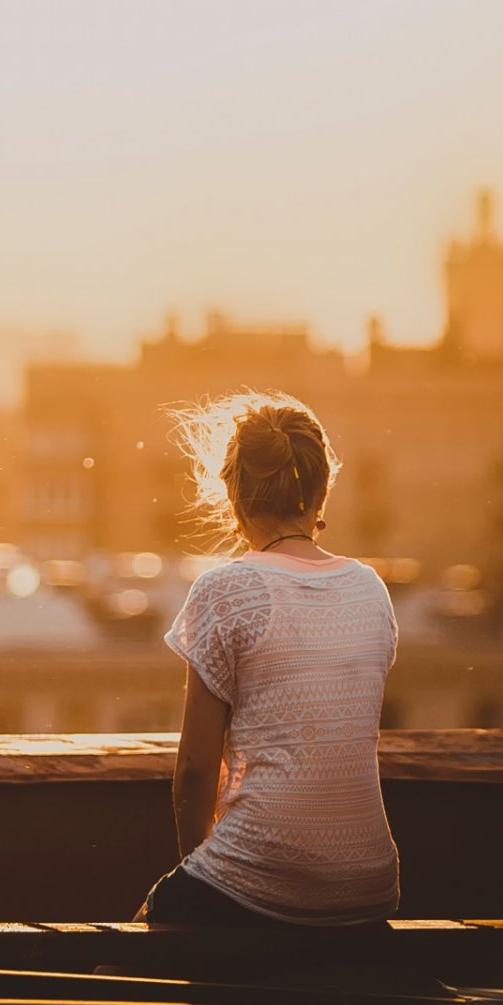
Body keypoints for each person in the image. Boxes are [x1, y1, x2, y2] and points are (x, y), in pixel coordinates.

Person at [139, 392, 399, 929]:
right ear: (320, 491)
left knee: (117, 965)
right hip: (371, 883)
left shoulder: (226, 590)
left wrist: (197, 867)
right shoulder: (370, 589)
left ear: (235, 495)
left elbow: (193, 770)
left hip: (265, 875)